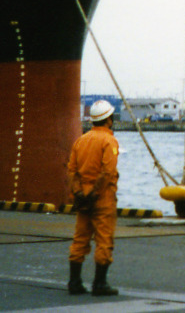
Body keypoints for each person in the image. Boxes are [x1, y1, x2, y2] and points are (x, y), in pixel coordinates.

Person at [66, 99, 120, 296]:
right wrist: (95, 194)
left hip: (82, 197)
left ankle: (74, 282)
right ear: (109, 119)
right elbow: (107, 172)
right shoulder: (109, 141)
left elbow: (71, 170)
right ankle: (99, 284)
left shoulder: (81, 140)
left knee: (80, 238)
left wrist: (80, 193)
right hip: (102, 198)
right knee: (104, 240)